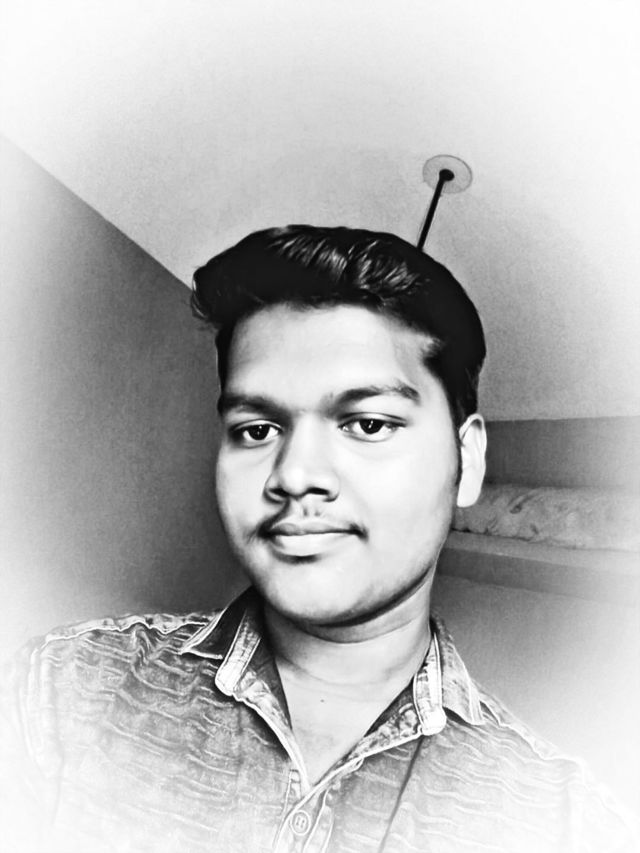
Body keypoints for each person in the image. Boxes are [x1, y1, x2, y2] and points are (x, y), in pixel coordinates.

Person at [0, 226, 635, 852]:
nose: (295, 475)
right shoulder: (62, 691)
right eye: (256, 430)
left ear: (466, 461)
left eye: (368, 424)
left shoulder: (566, 825)